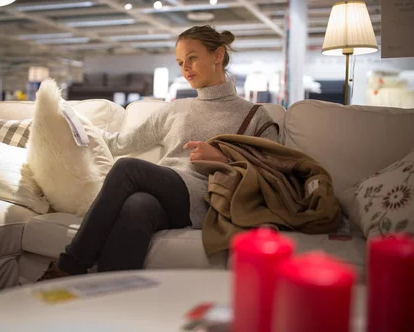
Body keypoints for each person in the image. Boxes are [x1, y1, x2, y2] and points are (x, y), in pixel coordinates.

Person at [39, 25, 279, 280]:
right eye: (180, 62)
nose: (186, 68)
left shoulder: (254, 115)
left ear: (218, 55)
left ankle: (71, 263)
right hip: (169, 193)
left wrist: (224, 159)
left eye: (193, 57)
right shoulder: (174, 110)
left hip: (207, 199)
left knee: (127, 169)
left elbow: (272, 172)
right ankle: (109, 295)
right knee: (136, 207)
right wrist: (71, 125)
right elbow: (120, 143)